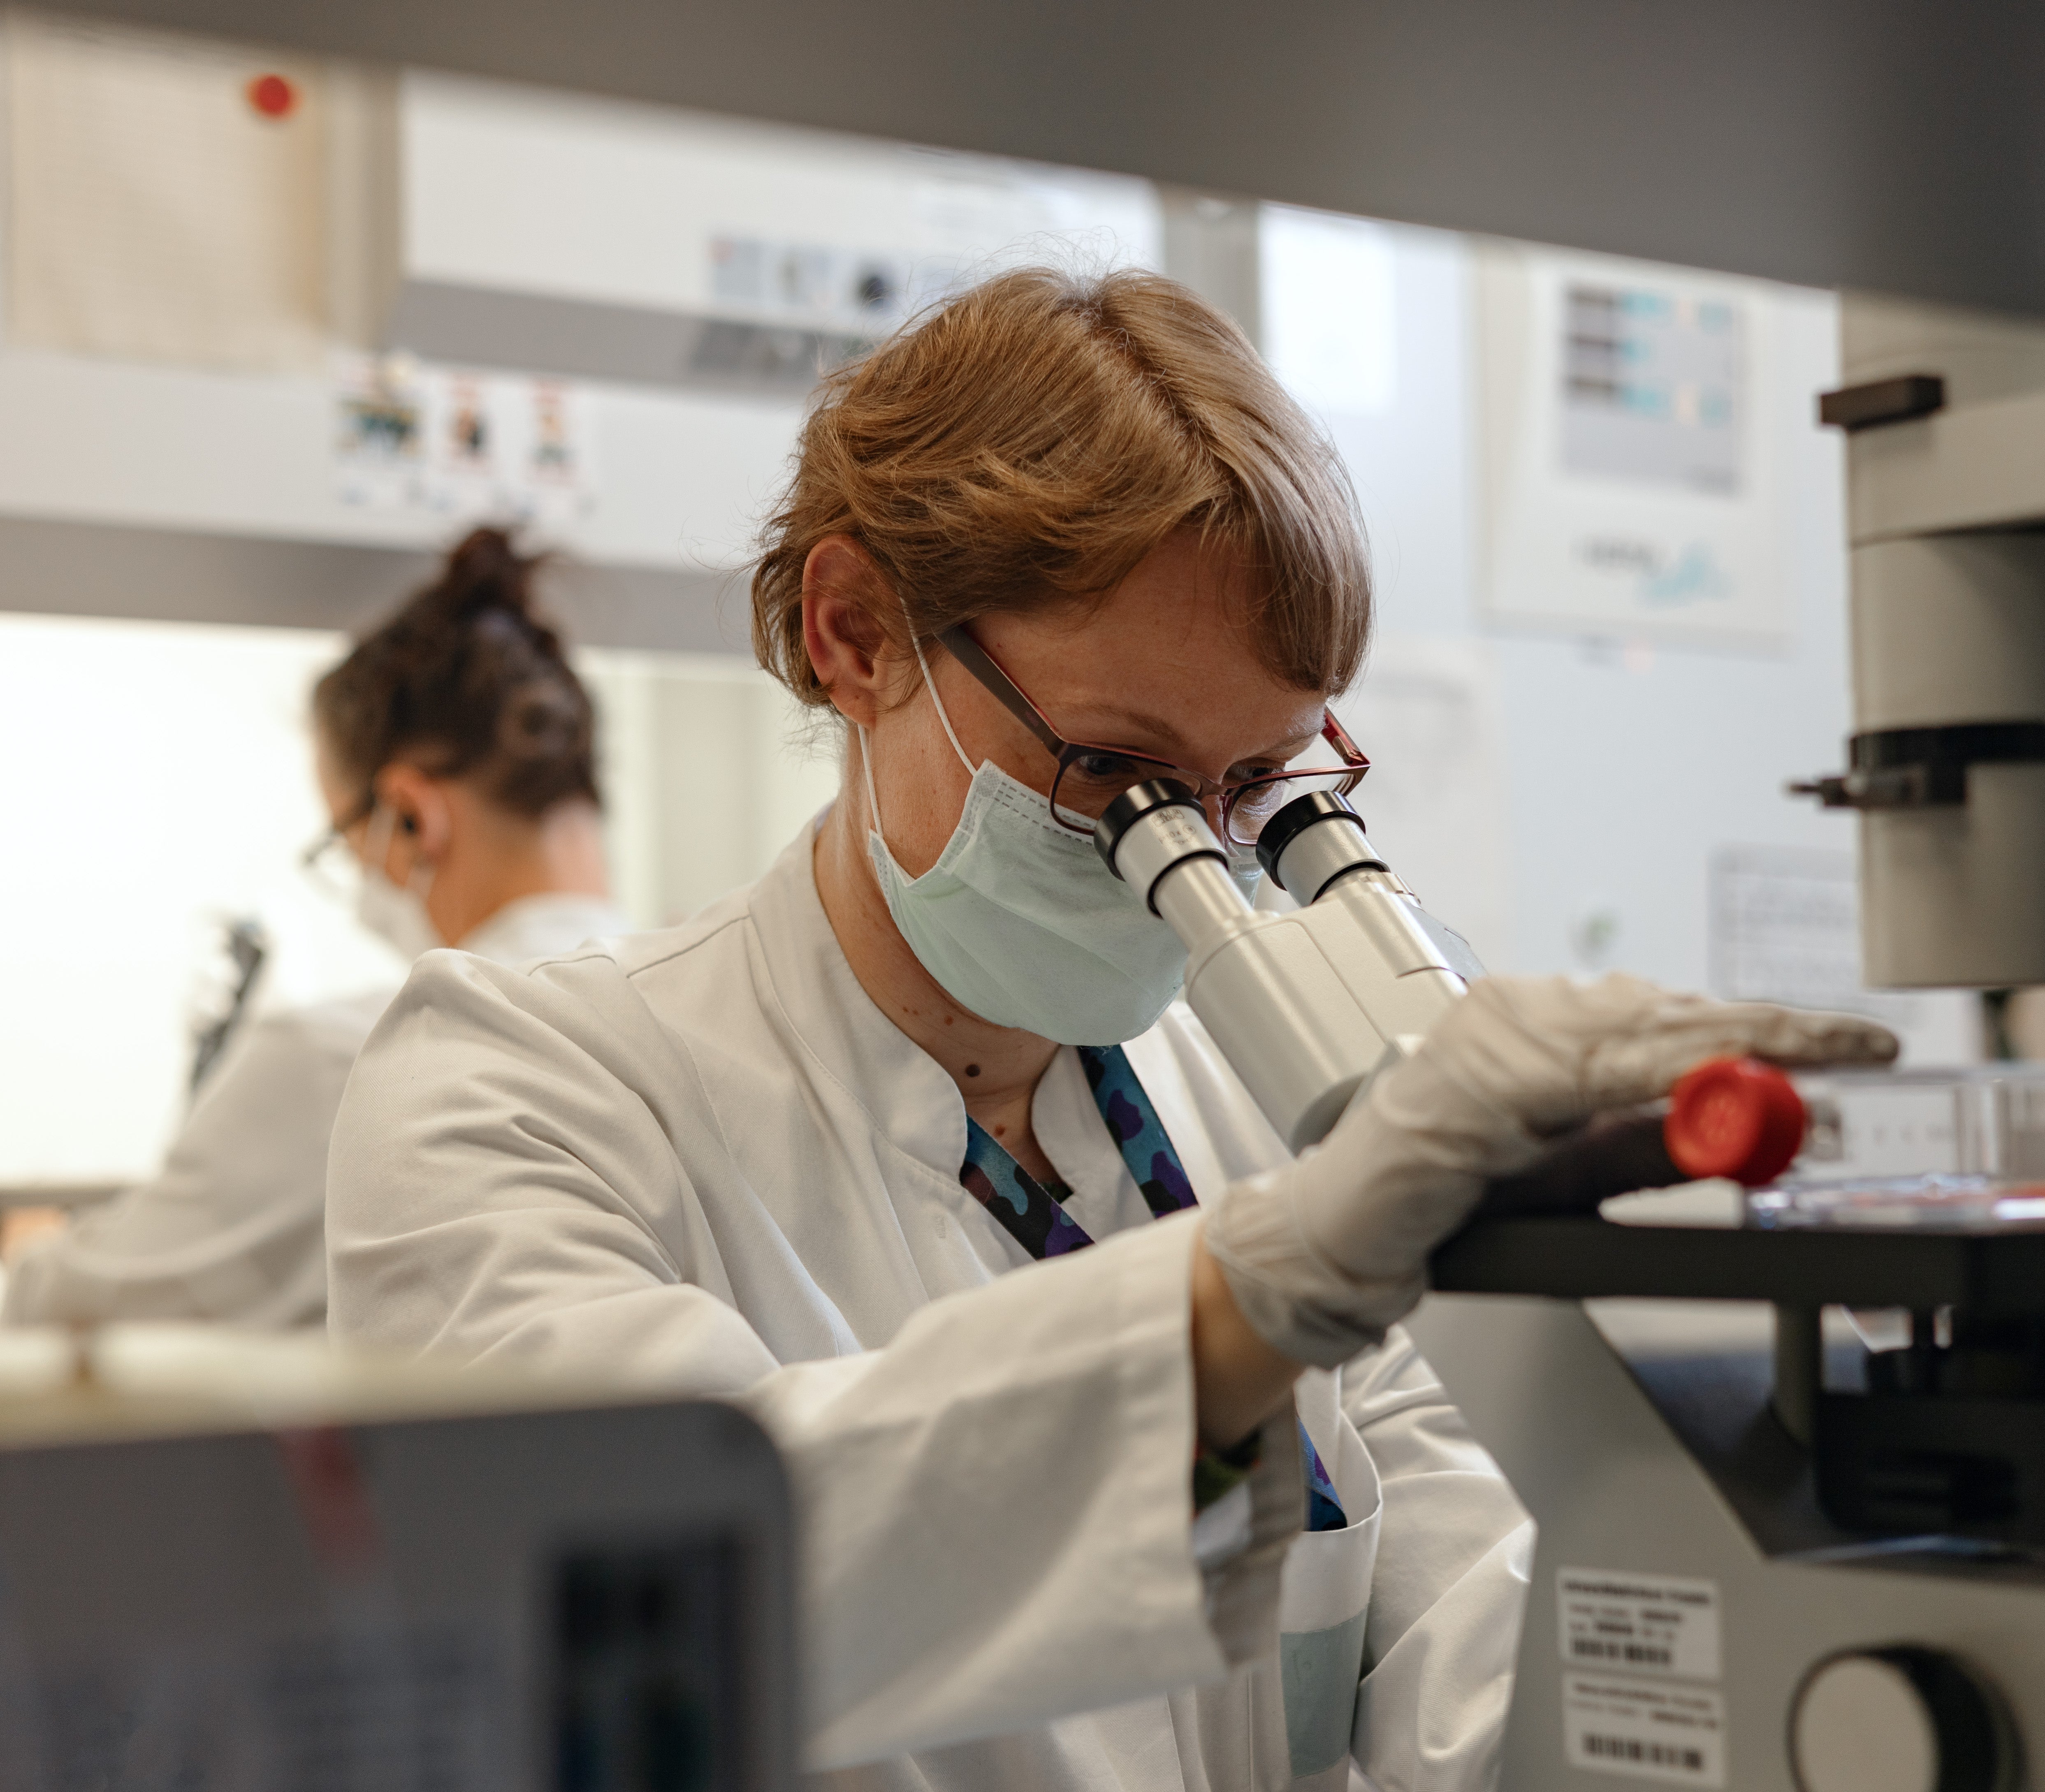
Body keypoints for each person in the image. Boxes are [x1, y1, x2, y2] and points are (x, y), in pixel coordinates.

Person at [326, 270, 1892, 1788]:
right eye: (1117, 782)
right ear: (857, 631)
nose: (1187, 863)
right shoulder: (513, 1088)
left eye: (1255, 790)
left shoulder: (1268, 1099)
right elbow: (674, 1579)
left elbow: (1481, 1646)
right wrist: (1249, 1298)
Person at [0, 528, 625, 1330]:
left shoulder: (359, 1056)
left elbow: (83, 1318)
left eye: (345, 841)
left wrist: (27, 1247)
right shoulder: (701, 1013)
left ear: (410, 815)